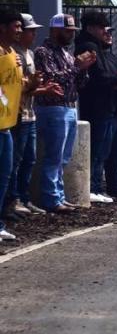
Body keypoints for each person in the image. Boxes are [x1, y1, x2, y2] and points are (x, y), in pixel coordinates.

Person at [75, 11, 117, 203]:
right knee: (99, 151)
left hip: (115, 107)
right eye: (103, 28)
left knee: (115, 150)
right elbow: (99, 79)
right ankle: (94, 187)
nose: (107, 33)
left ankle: (114, 185)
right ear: (91, 28)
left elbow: (113, 77)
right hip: (99, 108)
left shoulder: (106, 52)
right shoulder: (88, 47)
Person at [34, 13, 96, 213]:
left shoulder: (67, 54)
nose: (70, 35)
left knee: (64, 157)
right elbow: (53, 78)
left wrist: (84, 69)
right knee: (54, 155)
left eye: (72, 31)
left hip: (69, 106)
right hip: (53, 107)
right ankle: (51, 198)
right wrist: (76, 67)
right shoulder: (43, 52)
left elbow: (80, 84)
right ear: (55, 30)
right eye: (67, 31)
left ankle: (59, 195)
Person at [7, 14, 60, 218]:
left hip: (31, 114)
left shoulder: (28, 53)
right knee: (16, 160)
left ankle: (24, 198)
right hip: (19, 114)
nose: (32, 33)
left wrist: (40, 87)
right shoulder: (15, 54)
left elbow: (27, 86)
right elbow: (17, 87)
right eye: (29, 30)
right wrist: (40, 89)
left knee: (29, 159)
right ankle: (14, 200)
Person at [0, 9, 23, 241]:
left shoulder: (11, 52)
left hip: (7, 123)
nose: (19, 31)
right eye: (15, 26)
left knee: (5, 174)